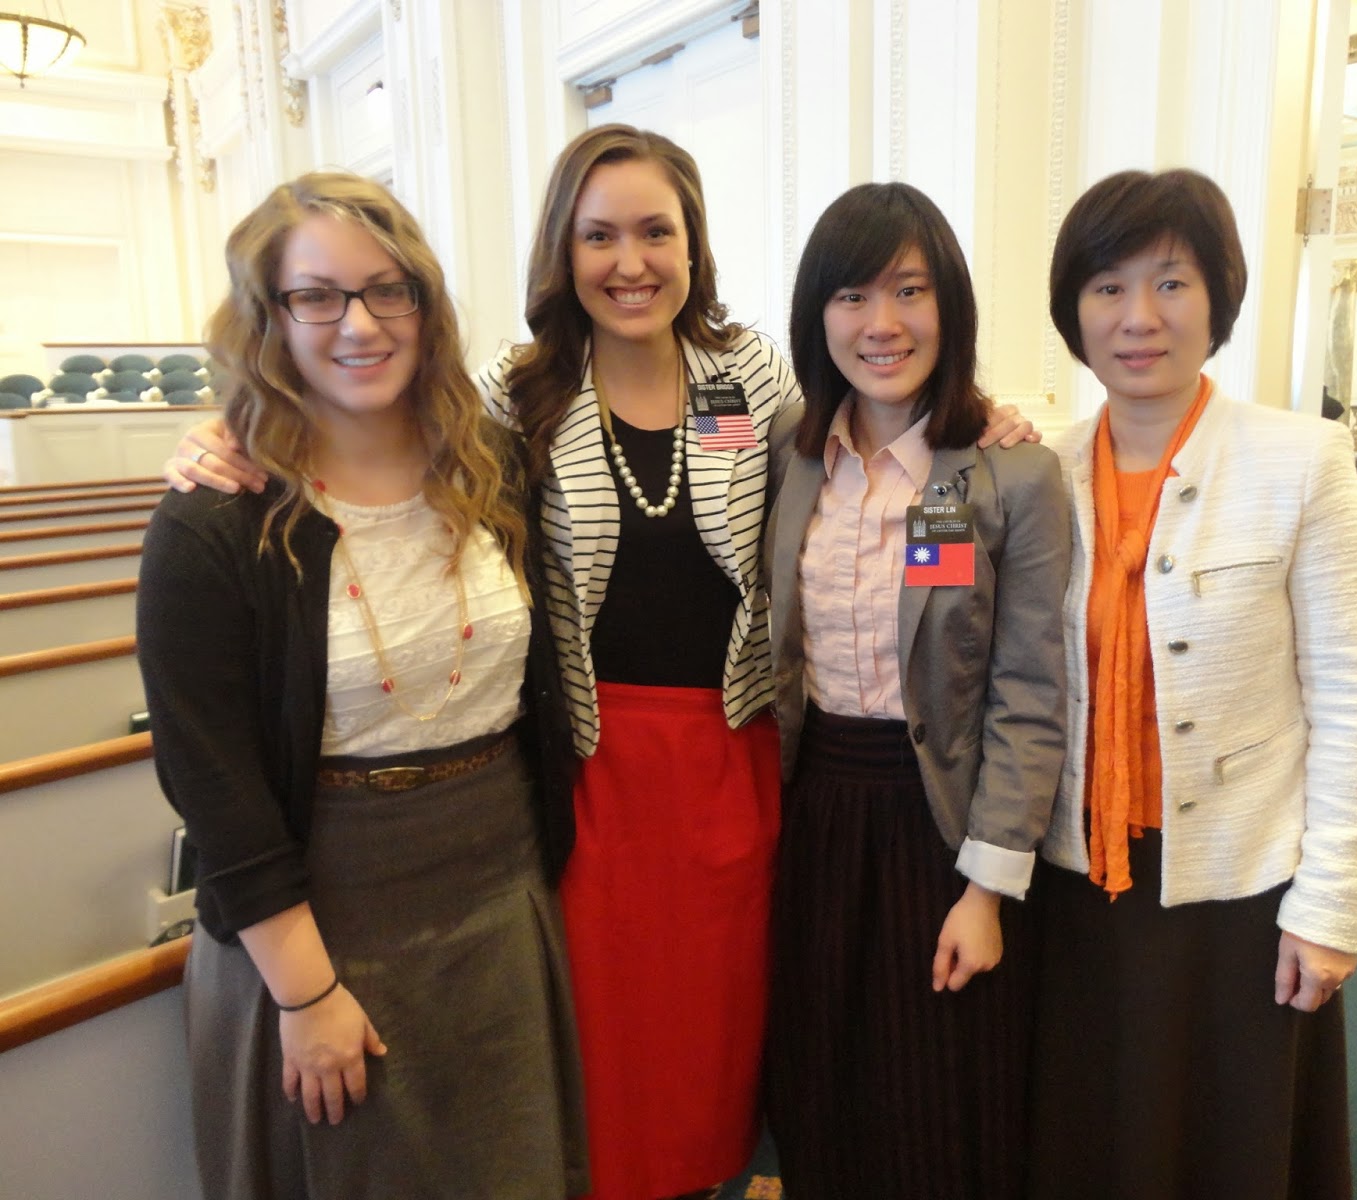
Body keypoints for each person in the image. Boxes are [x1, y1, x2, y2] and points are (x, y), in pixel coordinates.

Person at [164, 127, 1035, 1200]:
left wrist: (973, 420)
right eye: (600, 235)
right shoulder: (515, 393)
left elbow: (863, 427)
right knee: (606, 1048)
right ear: (562, 250)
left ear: (692, 242)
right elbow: (378, 432)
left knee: (721, 1034)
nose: (631, 262)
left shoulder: (746, 377)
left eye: (655, 231)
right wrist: (226, 431)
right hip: (586, 769)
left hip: (732, 755)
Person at [135, 172, 587, 1200]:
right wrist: (305, 995)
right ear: (268, 315)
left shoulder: (487, 465)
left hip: (493, 893)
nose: (360, 324)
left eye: (389, 290)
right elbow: (212, 782)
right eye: (318, 296)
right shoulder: (216, 521)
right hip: (320, 921)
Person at [1029, 168, 1357, 1199]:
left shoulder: (1302, 461)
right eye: (1107, 287)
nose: (1137, 317)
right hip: (1074, 882)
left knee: (1222, 1141)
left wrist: (1331, 904)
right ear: (1073, 310)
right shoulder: (1040, 471)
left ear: (1217, 299)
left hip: (1238, 885)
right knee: (1087, 1128)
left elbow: (1354, 696)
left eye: (1171, 283)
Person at [763, 181, 1070, 1200]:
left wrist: (986, 889)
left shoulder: (1004, 473)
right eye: (851, 295)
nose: (881, 323)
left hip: (940, 820)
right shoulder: (791, 452)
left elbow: (1029, 693)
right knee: (822, 1079)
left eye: (908, 290)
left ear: (950, 304)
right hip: (815, 812)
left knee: (936, 1095)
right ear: (818, 314)